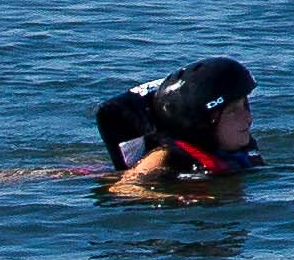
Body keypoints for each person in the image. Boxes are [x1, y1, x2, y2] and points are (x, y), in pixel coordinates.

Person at [94, 58, 258, 195]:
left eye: (245, 106)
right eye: (233, 111)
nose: (248, 117)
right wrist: (176, 199)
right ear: (202, 122)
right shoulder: (163, 156)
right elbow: (123, 189)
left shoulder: (235, 150)